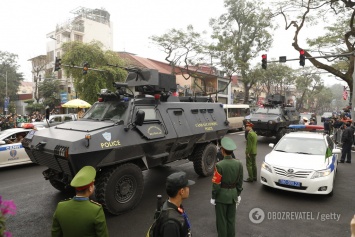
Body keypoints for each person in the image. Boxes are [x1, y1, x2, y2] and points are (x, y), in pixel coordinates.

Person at [51, 166, 109, 237]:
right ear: (90, 188)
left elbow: (55, 233)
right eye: (93, 185)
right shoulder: (96, 210)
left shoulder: (61, 206)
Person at [211, 137, 243, 237]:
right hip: (233, 196)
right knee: (231, 221)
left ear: (222, 150)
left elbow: (216, 184)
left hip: (221, 197)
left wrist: (213, 197)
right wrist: (238, 194)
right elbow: (240, 181)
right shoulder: (239, 163)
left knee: (221, 222)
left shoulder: (219, 165)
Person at [156, 171, 194, 237]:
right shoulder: (171, 224)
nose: (189, 188)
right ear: (182, 191)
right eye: (187, 186)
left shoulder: (174, 206)